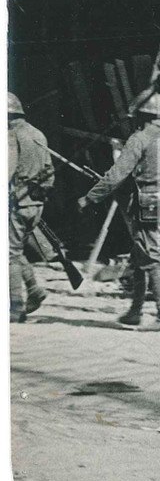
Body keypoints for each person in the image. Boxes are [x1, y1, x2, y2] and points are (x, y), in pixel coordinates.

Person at [78, 93, 160, 330]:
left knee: (151, 257)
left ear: (142, 115)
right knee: (140, 254)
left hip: (148, 203)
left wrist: (90, 198)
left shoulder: (139, 138)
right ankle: (135, 311)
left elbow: (116, 175)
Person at [8, 93, 54, 323]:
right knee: (14, 250)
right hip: (36, 204)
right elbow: (49, 171)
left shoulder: (11, 136)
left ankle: (14, 308)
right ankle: (34, 290)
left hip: (17, 201)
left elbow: (7, 172)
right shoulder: (38, 134)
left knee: (9, 256)